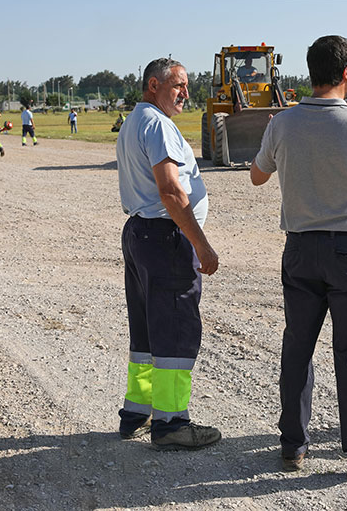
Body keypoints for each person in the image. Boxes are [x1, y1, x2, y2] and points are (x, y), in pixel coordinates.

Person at [251, 35, 347, 483]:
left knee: (297, 347)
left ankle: (292, 446)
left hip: (299, 248)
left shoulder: (282, 124)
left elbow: (258, 177)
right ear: (346, 73)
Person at [116, 57, 221, 450]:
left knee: (146, 330)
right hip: (165, 236)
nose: (185, 93)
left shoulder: (134, 121)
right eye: (178, 85)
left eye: (187, 86)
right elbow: (172, 192)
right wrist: (201, 243)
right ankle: (172, 422)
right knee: (175, 331)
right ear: (154, 84)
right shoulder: (158, 126)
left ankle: (137, 412)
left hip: (141, 233)